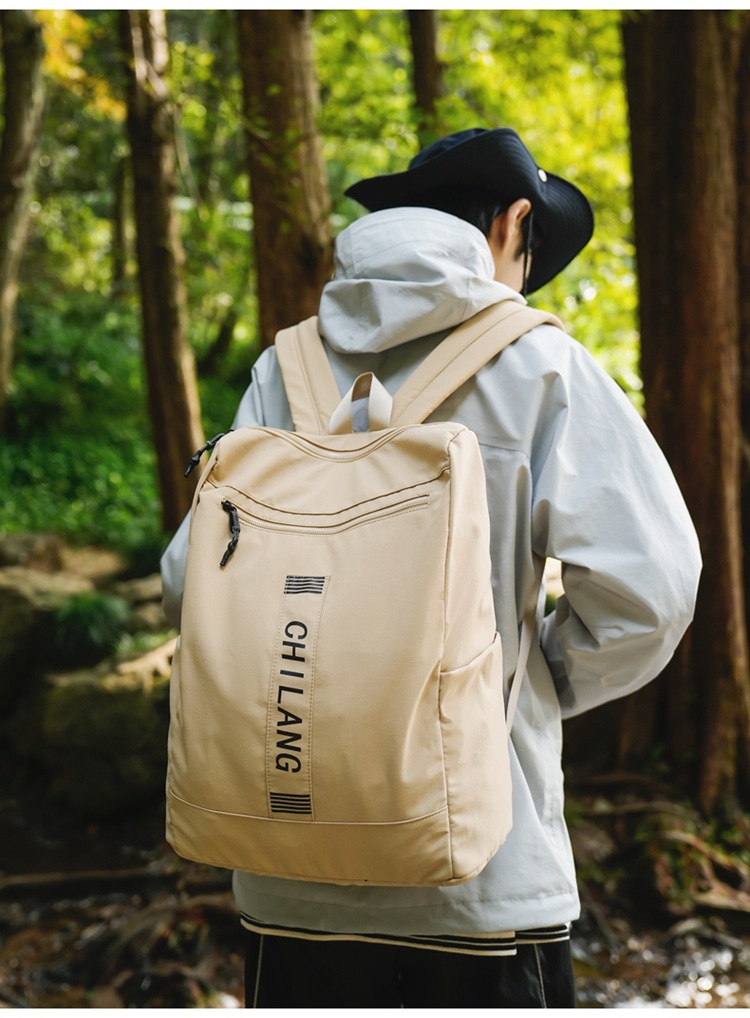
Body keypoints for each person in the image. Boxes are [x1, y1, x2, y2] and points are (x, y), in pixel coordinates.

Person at [161, 127, 701, 1007]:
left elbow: (191, 582)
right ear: (514, 222)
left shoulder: (285, 368)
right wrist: (527, 686)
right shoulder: (541, 364)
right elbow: (653, 592)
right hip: (485, 882)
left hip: (286, 875)